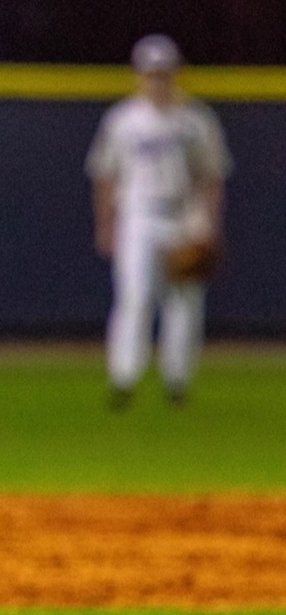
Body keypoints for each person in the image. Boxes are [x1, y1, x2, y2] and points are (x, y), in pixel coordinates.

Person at [86, 33, 232, 408]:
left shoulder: (196, 120)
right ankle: (124, 379)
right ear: (139, 75)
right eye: (151, 73)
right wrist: (105, 225)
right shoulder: (123, 120)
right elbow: (105, 175)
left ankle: (177, 381)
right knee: (134, 297)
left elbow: (211, 175)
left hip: (183, 213)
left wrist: (210, 224)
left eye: (164, 73)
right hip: (137, 214)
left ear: (175, 73)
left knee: (184, 302)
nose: (158, 80)